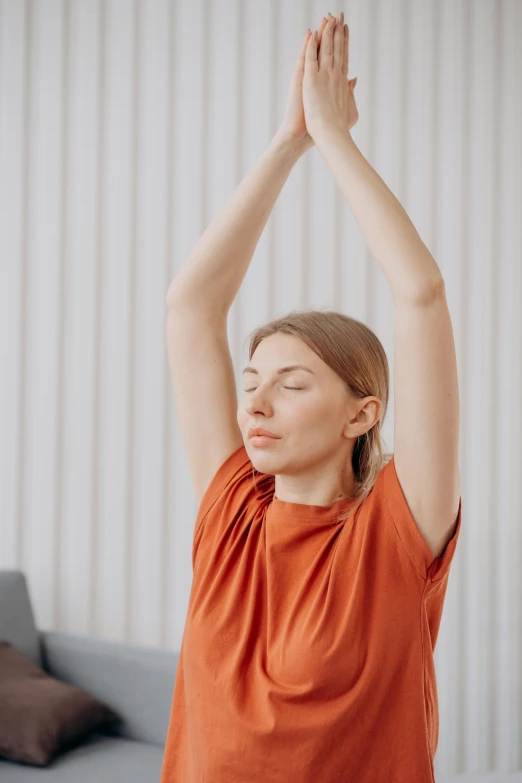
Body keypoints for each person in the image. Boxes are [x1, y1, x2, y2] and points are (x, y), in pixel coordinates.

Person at [160, 10, 462, 782]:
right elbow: (192, 306)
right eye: (251, 382)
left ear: (363, 413)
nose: (253, 404)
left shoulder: (397, 533)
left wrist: (334, 139)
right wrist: (287, 140)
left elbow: (421, 292)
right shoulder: (230, 511)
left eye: (291, 385)